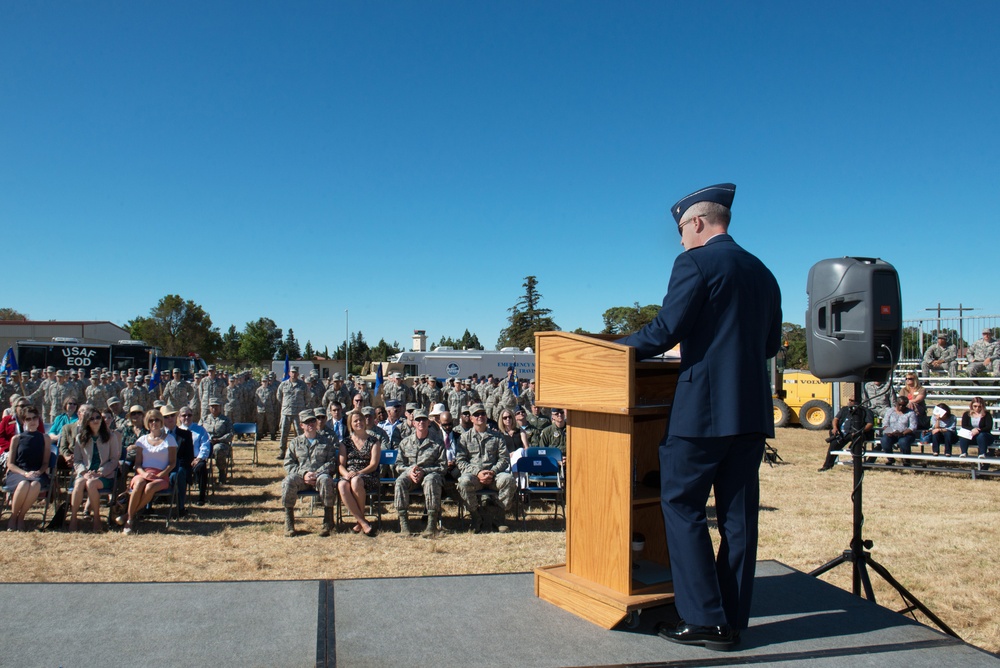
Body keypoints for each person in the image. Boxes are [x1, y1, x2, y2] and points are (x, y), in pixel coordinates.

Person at [616, 183, 781, 650]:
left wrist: (610, 352)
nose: (681, 241)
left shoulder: (695, 262)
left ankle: (704, 619)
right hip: (749, 413)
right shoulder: (763, 272)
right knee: (738, 519)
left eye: (682, 231)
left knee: (682, 506)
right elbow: (769, 346)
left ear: (697, 223)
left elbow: (666, 329)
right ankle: (733, 616)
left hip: (703, 415)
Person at [456, 403, 515, 533]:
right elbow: (460, 461)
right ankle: (476, 517)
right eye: (476, 414)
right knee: (463, 482)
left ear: (486, 416)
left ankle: (499, 518)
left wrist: (492, 472)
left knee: (509, 479)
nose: (480, 416)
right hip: (475, 477)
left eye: (482, 413)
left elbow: (504, 459)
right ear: (471, 418)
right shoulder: (464, 438)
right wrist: (478, 472)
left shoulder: (497, 436)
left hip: (494, 476)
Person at [282, 409, 338, 537]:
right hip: (302, 477)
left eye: (313, 421)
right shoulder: (295, 442)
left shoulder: (326, 441)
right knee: (288, 481)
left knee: (326, 480)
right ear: (301, 425)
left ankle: (328, 522)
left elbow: (331, 462)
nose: (311, 424)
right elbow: (289, 463)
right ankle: (289, 522)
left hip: (320, 476)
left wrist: (317, 473)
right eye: (307, 422)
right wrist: (304, 473)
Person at [394, 408, 446, 536]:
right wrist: (410, 471)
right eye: (418, 419)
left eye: (423, 419)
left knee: (431, 480)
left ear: (428, 422)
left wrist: (424, 471)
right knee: (400, 481)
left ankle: (431, 524)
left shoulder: (437, 442)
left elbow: (442, 467)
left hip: (430, 476)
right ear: (414, 423)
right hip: (411, 475)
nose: (421, 422)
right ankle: (404, 525)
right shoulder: (405, 443)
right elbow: (398, 465)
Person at [124, 410, 177, 534]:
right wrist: (143, 474)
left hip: (161, 476)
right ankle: (130, 520)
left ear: (161, 421)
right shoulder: (141, 440)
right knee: (139, 484)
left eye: (157, 420)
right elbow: (137, 464)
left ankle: (128, 515)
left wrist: (159, 475)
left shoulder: (170, 440)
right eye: (151, 420)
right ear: (147, 423)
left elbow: (172, 463)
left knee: (150, 487)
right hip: (143, 473)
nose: (154, 423)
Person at [69, 407, 120, 532]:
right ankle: (74, 518)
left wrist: (100, 472)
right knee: (79, 483)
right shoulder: (80, 437)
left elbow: (114, 460)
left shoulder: (111, 437)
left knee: (91, 484)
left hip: (105, 475)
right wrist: (84, 473)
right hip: (86, 473)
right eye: (92, 418)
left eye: (98, 417)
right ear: (87, 421)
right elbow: (77, 460)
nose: (96, 420)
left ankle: (96, 518)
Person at [4, 405, 52, 531]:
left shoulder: (45, 438)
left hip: (38, 473)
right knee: (24, 484)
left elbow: (45, 463)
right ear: (23, 421)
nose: (32, 422)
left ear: (39, 419)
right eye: (28, 419)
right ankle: (13, 517)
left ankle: (21, 517)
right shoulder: (17, 438)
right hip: (18, 472)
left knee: (35, 485)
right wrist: (24, 473)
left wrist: (38, 472)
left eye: (35, 418)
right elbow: (10, 464)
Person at [337, 410, 381, 537]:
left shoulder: (374, 441)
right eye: (355, 421)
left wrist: (358, 473)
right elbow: (340, 465)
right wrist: (346, 474)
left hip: (368, 475)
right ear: (350, 424)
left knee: (356, 481)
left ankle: (359, 522)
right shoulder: (345, 443)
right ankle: (362, 521)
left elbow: (373, 465)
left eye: (360, 420)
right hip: (349, 474)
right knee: (341, 485)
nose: (358, 423)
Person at [818, 397, 874, 471]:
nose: (850, 402)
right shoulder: (844, 409)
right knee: (834, 445)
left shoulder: (865, 411)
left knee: (856, 444)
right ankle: (827, 466)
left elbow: (869, 424)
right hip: (843, 433)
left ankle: (857, 465)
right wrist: (835, 428)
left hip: (857, 434)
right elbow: (836, 419)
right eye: (849, 400)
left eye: (852, 400)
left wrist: (860, 431)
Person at [177, 407, 211, 504]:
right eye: (184, 415)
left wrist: (199, 458)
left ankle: (201, 497)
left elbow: (205, 446)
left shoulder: (200, 430)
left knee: (202, 467)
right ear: (179, 417)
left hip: (197, 458)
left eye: (189, 415)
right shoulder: (177, 431)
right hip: (182, 460)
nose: (187, 417)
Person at [275, 366, 309, 460]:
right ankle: (282, 452)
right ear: (289, 373)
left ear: (298, 374)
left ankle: (300, 453)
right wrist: (286, 404)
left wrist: (301, 406)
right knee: (283, 433)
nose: (293, 374)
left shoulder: (302, 385)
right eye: (292, 372)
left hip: (298, 413)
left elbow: (307, 397)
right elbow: (279, 396)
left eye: (295, 372)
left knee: (299, 433)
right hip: (286, 412)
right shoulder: (283, 384)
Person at [202, 399, 234, 484]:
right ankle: (199, 474)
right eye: (212, 406)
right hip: (206, 443)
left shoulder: (226, 420)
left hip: (221, 443)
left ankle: (222, 473)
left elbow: (230, 434)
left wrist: (219, 439)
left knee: (218, 449)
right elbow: (198, 431)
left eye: (216, 406)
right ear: (209, 408)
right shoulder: (204, 419)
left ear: (220, 407)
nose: (214, 408)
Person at [880, 396, 918, 466]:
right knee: (884, 440)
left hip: (906, 434)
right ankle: (890, 459)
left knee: (903, 441)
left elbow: (913, 427)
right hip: (892, 433)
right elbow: (885, 424)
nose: (901, 407)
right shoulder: (890, 411)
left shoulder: (911, 413)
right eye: (899, 404)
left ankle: (906, 460)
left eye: (903, 405)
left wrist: (903, 433)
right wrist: (889, 431)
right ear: (896, 403)